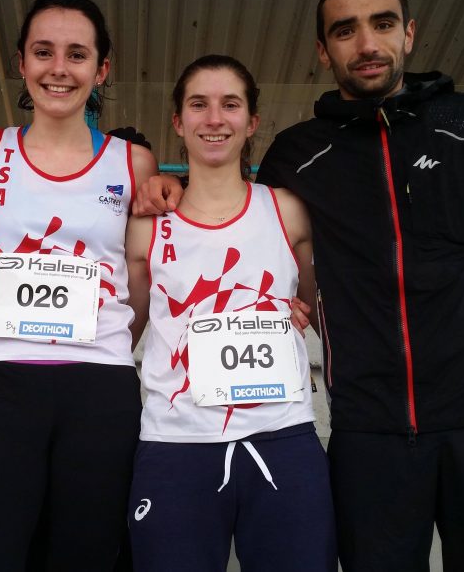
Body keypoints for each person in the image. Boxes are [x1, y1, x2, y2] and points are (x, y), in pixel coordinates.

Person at [136, 0, 464, 571]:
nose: (366, 43)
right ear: (324, 52)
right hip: (370, 429)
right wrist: (164, 186)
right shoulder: (299, 154)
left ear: (408, 33)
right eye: (345, 30)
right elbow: (236, 209)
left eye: (381, 24)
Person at [0, 0, 158, 571]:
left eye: (77, 54)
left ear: (101, 69)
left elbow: (141, 282)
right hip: (2, 385)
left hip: (101, 388)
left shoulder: (134, 163)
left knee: (86, 556)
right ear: (21, 62)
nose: (58, 68)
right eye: (43, 52)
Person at [125, 55, 336, 571]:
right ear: (178, 121)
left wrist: (296, 311)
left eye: (230, 105)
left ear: (252, 121)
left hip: (282, 438)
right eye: (198, 104)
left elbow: (318, 303)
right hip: (177, 446)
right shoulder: (146, 227)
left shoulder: (287, 209)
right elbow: (117, 331)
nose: (214, 118)